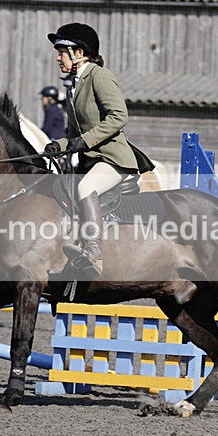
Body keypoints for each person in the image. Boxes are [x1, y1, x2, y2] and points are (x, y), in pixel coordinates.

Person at [43, 22, 154, 279]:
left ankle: (93, 253)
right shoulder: (73, 86)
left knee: (85, 188)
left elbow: (119, 116)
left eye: (62, 51)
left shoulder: (99, 76)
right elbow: (72, 134)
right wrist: (55, 146)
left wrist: (85, 141)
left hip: (114, 158)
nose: (58, 57)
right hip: (92, 159)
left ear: (79, 53)